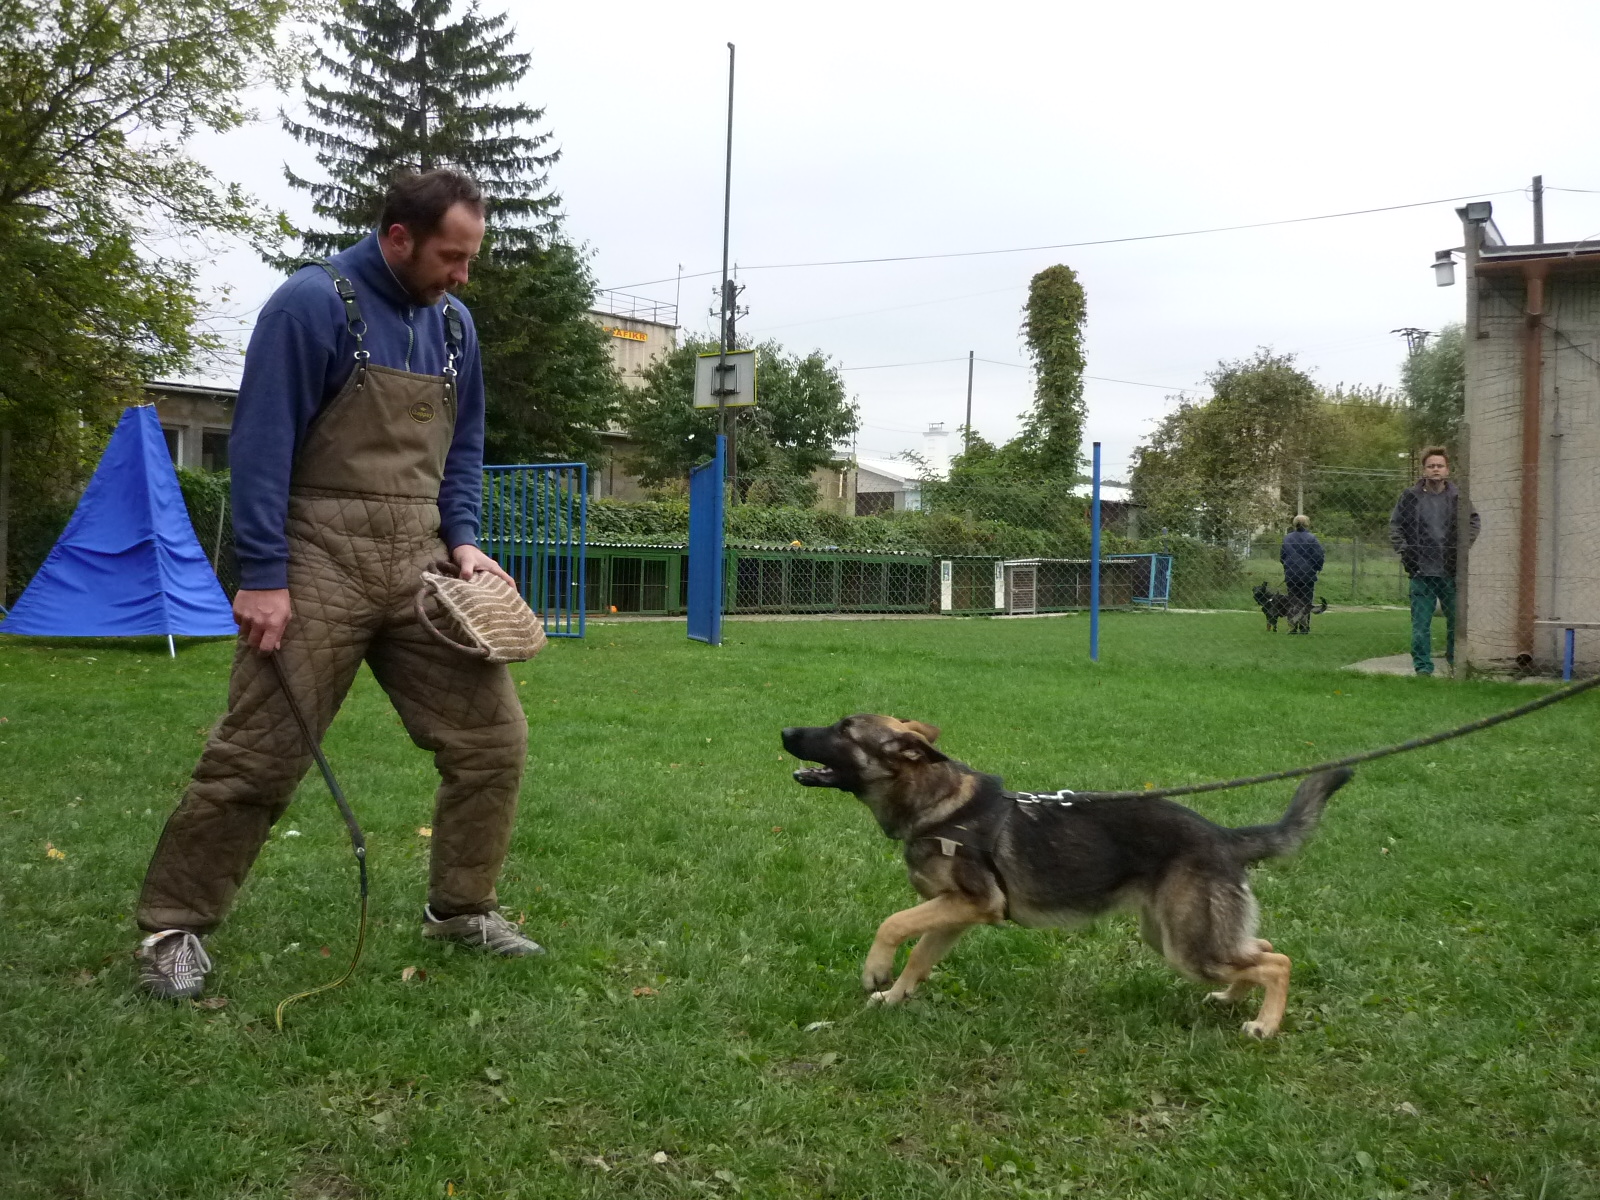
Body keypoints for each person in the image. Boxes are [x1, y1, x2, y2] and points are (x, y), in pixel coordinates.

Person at [134, 169, 542, 1000]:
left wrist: (463, 541)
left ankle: (461, 909)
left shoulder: (455, 327)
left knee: (491, 742)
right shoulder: (310, 304)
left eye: (470, 258)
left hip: (420, 560)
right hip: (315, 555)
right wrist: (263, 576)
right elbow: (260, 444)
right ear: (398, 237)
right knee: (257, 756)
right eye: (451, 257)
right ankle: (173, 929)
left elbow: (462, 449)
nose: (463, 276)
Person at [1388, 447, 1480, 676]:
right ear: (1424, 470)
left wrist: (1462, 548)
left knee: (1456, 623)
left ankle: (1454, 664)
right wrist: (1405, 551)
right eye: (1431, 466)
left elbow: (1473, 522)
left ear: (1447, 470)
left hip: (1450, 571)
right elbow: (1395, 526)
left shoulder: (1458, 498)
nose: (1435, 469)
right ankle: (1423, 668)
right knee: (1420, 625)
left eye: (1440, 465)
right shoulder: (1410, 497)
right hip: (1421, 571)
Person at [1279, 515, 1325, 634]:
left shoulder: (1287, 538)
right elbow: (1318, 555)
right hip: (1307, 575)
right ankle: (1304, 627)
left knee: (1293, 601)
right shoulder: (1311, 538)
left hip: (1291, 574)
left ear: (1294, 524)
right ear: (1307, 524)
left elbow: (1282, 556)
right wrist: (1317, 567)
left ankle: (1292, 626)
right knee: (1306, 601)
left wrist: (1287, 566)